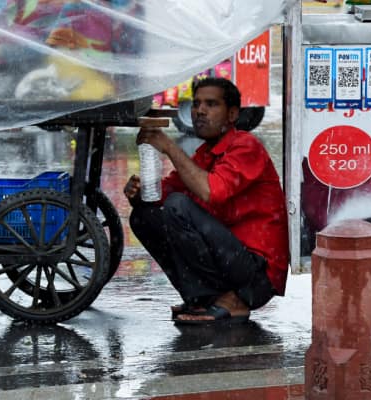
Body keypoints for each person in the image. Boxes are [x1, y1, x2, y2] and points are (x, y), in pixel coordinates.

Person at [123, 77, 289, 325]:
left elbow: (212, 191)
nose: (200, 111)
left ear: (232, 114)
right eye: (197, 104)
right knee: (144, 217)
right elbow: (165, 193)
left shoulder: (246, 146)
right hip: (231, 261)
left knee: (178, 206)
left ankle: (231, 301)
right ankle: (203, 298)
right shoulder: (205, 154)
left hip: (256, 274)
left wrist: (168, 146)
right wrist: (139, 193)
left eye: (211, 104)